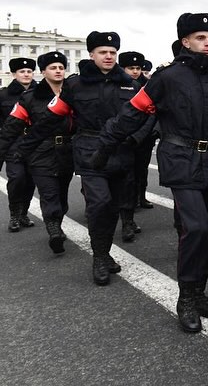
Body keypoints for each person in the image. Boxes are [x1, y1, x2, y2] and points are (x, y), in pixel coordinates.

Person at [89, 13, 208, 333]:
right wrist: (104, 146)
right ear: (185, 41)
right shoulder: (168, 78)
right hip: (180, 157)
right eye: (201, 37)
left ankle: (200, 291)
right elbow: (132, 113)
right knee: (196, 227)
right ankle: (186, 296)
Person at [18, 32, 147, 286]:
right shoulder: (75, 85)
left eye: (112, 52)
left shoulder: (130, 85)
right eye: (103, 52)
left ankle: (105, 250)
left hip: (121, 153)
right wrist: (25, 146)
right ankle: (99, 257)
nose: (108, 56)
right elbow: (53, 116)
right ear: (91, 55)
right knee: (99, 204)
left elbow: (147, 116)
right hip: (90, 153)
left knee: (114, 207)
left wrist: (135, 139)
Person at [0, 52, 72, 252]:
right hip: (39, 150)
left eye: (61, 67)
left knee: (62, 193)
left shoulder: (73, 93)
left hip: (66, 151)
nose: (58, 71)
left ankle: (56, 221)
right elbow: (10, 127)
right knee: (47, 192)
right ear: (43, 72)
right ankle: (53, 227)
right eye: (53, 67)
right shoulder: (30, 97)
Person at [0, 57, 37, 231]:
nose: (26, 74)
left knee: (30, 180)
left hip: (35, 144)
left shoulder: (40, 93)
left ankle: (23, 213)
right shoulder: (4, 95)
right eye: (22, 71)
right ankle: (14, 214)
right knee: (17, 178)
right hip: (14, 143)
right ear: (14, 74)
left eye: (29, 71)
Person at [116, 50, 148, 238]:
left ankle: (128, 220)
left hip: (136, 140)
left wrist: (139, 136)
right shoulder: (115, 85)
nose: (135, 71)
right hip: (113, 139)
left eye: (138, 68)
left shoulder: (137, 87)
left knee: (133, 177)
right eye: (131, 68)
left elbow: (149, 114)